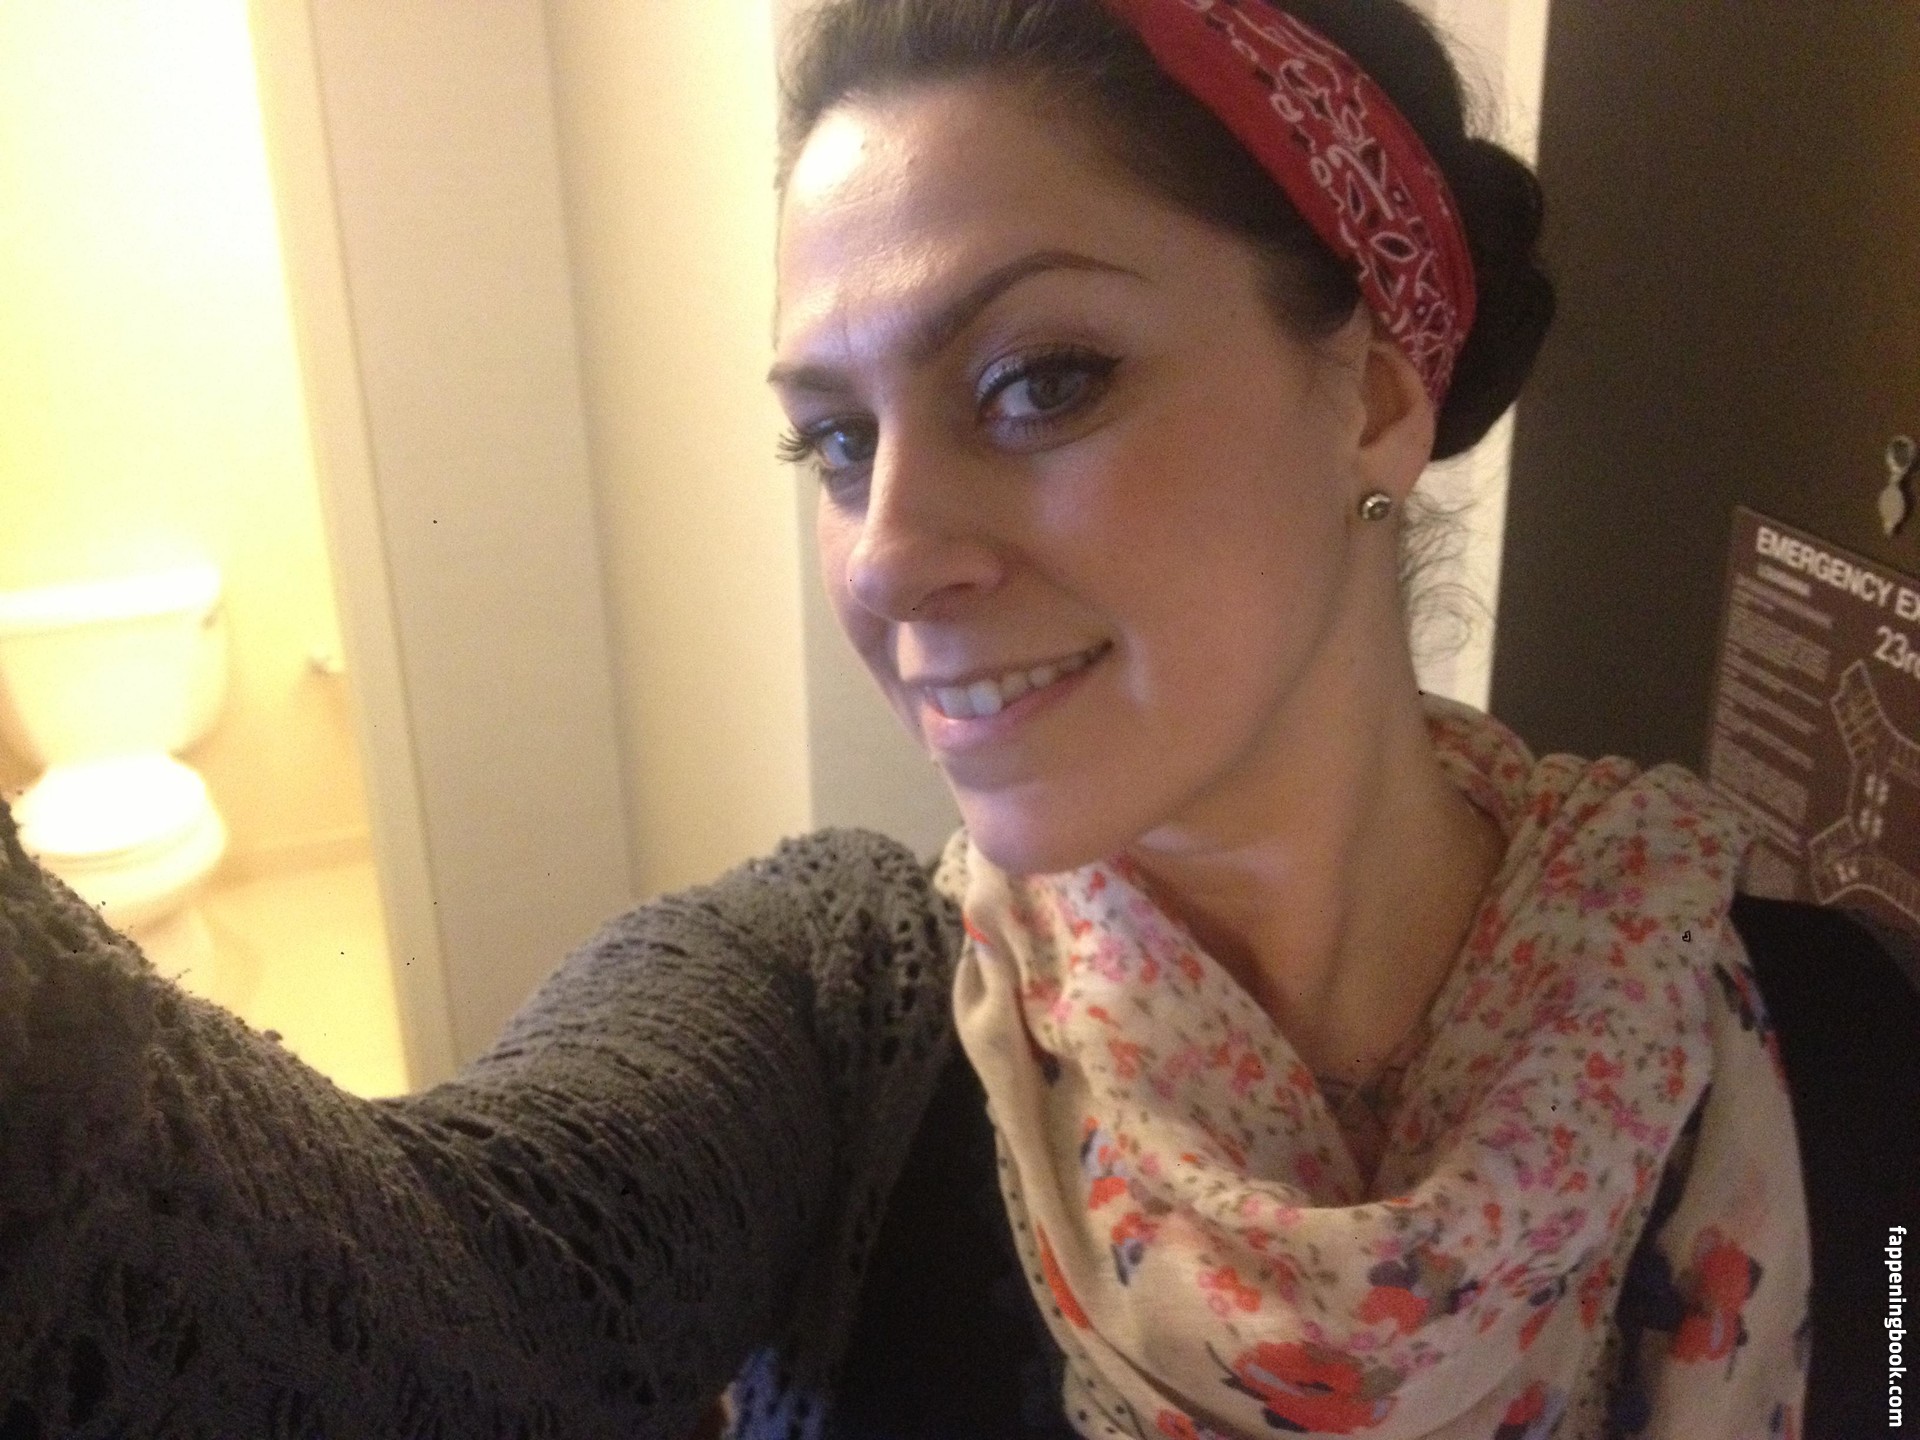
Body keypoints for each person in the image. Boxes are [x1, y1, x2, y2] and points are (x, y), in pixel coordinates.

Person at [0, 1, 1816, 1437]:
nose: (882, 555)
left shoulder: (1826, 1045)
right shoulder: (836, 1013)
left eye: (1039, 381)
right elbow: (443, 1306)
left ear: (1378, 400)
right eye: (834, 438)